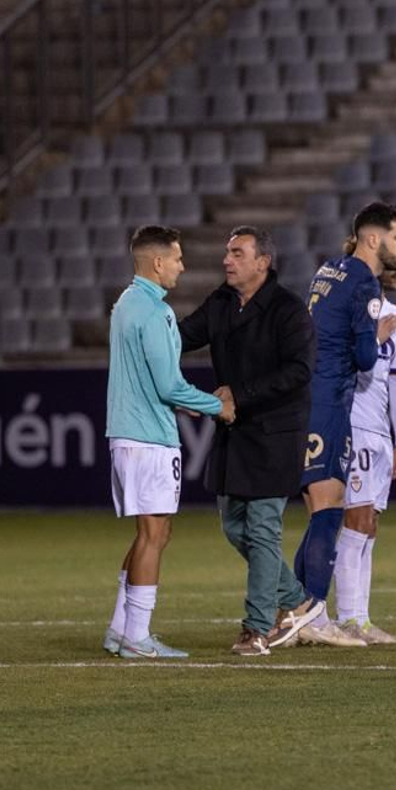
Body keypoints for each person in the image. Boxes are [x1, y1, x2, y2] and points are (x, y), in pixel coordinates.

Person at [177, 225, 322, 657]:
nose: (227, 260)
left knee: (261, 530)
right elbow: (182, 336)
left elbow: (299, 371)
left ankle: (256, 629)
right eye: (227, 252)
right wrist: (146, 326)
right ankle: (298, 600)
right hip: (234, 432)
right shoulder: (221, 302)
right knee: (233, 527)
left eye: (237, 253)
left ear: (263, 262)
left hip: (275, 433)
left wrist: (240, 394)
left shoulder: (288, 310)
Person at [103, 225, 233, 660]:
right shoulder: (154, 311)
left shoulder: (125, 304)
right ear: (157, 262)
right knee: (154, 534)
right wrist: (216, 407)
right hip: (148, 438)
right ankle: (136, 637)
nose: (181, 265)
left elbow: (152, 380)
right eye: (176, 258)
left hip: (128, 433)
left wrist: (188, 402)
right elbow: (167, 384)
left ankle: (121, 630)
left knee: (150, 534)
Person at [289, 201, 396, 649]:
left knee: (325, 508)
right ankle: (314, 613)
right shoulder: (362, 279)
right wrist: (381, 334)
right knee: (330, 511)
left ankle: (297, 610)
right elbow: (363, 358)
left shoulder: (329, 270)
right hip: (330, 402)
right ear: (374, 239)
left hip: (310, 396)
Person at [334, 260, 396, 645]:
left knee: (370, 524)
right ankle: (348, 618)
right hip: (353, 426)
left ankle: (362, 620)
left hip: (379, 434)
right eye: (390, 262)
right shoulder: (349, 312)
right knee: (356, 518)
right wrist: (372, 336)